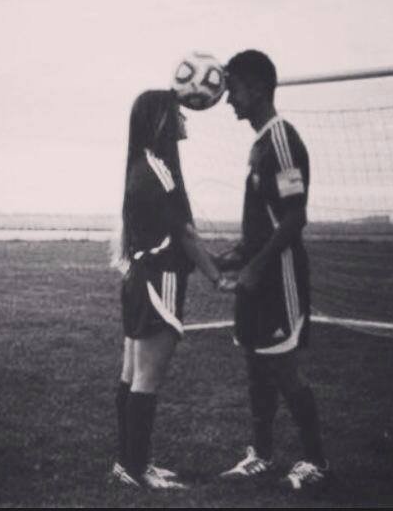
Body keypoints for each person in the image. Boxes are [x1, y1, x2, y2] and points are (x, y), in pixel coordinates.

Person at [214, 50, 329, 490]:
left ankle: (316, 462)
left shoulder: (282, 141)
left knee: (283, 370)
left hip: (279, 279)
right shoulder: (259, 144)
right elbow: (265, 221)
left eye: (234, 89)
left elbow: (296, 217)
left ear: (259, 88)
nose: (228, 99)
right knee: (255, 365)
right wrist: (230, 257)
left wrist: (257, 268)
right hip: (258, 277)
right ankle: (261, 455)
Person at [110, 88, 222, 490]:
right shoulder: (157, 169)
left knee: (131, 375)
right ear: (160, 121)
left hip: (140, 277)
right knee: (147, 378)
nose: (184, 119)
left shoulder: (141, 164)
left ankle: (128, 463)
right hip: (159, 278)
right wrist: (217, 276)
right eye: (178, 113)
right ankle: (138, 469)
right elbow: (185, 233)